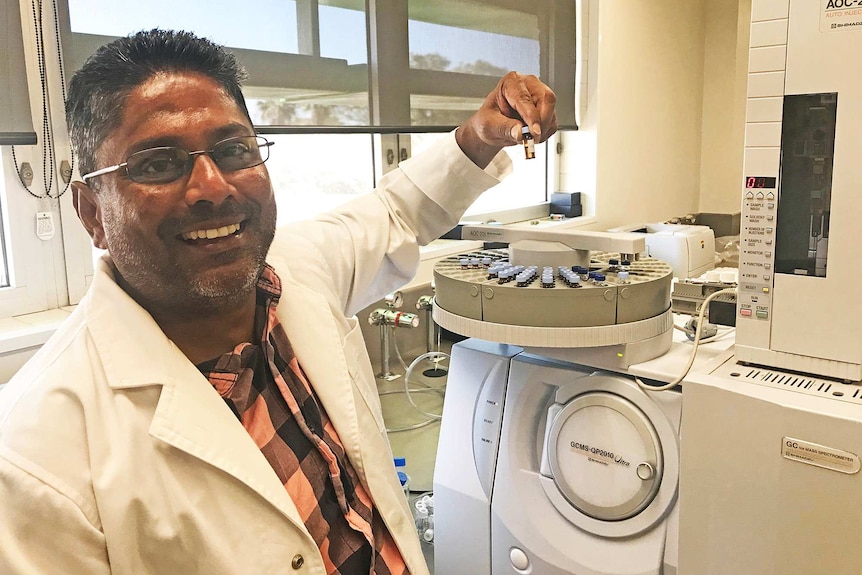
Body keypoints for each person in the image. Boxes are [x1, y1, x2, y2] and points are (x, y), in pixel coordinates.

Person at [0, 29, 556, 575]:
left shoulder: (296, 267)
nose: (213, 187)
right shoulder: (32, 462)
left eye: (234, 149)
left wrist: (481, 137)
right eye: (158, 164)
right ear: (92, 212)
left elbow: (398, 210)